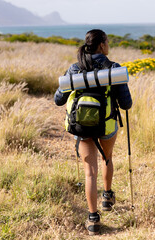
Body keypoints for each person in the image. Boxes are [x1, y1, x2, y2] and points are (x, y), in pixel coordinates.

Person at [54, 29, 132, 235]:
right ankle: (107, 197)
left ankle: (93, 219)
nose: (109, 45)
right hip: (106, 125)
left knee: (90, 172)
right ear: (102, 45)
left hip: (81, 126)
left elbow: (58, 99)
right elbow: (126, 104)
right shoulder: (114, 69)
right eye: (107, 42)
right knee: (107, 158)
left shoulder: (75, 68)